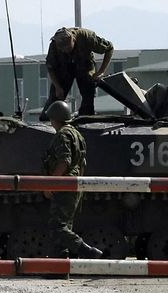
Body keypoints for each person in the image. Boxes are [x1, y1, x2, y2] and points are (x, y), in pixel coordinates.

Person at [42, 100, 103, 259]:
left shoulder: (62, 134)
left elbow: (65, 161)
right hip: (74, 184)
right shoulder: (76, 134)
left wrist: (51, 184)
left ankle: (86, 250)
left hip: (64, 185)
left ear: (55, 118)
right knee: (63, 227)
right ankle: (60, 267)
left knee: (57, 227)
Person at [39, 27, 114, 121]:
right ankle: (49, 121)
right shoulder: (54, 45)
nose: (66, 51)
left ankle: (86, 119)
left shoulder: (86, 37)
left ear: (74, 39)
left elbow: (109, 48)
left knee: (88, 94)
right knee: (54, 99)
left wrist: (101, 71)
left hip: (84, 66)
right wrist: (58, 87)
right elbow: (50, 67)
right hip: (63, 69)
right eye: (63, 49)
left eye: (68, 47)